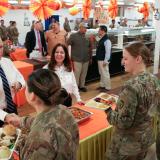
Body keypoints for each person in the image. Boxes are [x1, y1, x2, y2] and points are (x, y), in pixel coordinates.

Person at [7, 69, 79, 160]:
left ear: (32, 96)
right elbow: (45, 122)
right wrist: (21, 121)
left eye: (26, 88)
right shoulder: (64, 110)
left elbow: (44, 128)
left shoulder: (37, 138)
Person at [104, 41, 159, 160]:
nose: (122, 62)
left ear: (138, 59)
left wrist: (107, 110)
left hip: (128, 147)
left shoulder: (130, 86)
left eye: (125, 58)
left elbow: (123, 123)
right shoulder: (154, 80)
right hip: (147, 139)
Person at [0, 37, 25, 127]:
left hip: (12, 110)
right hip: (2, 114)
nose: (0, 51)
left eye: (1, 47)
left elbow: (21, 78)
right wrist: (4, 116)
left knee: (15, 138)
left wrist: (19, 84)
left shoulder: (7, 62)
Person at [67, 22, 92, 92]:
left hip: (86, 59)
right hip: (76, 59)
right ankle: (75, 88)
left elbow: (90, 47)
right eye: (84, 28)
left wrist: (90, 57)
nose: (86, 30)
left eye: (86, 28)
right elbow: (67, 44)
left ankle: (82, 86)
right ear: (80, 27)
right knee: (76, 75)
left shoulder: (87, 36)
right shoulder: (73, 36)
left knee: (84, 74)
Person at [96, 25, 111, 92]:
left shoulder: (107, 40)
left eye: (99, 30)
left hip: (103, 60)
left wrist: (106, 60)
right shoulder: (102, 38)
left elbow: (108, 52)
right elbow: (97, 39)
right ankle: (102, 85)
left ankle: (107, 87)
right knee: (101, 73)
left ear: (102, 31)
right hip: (100, 59)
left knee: (105, 73)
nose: (98, 31)